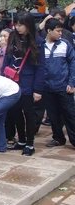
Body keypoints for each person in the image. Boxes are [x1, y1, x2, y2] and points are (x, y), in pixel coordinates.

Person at [2, 12, 46, 156]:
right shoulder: (13, 38)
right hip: (12, 81)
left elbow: (40, 67)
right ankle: (21, 140)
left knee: (29, 113)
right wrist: (4, 77)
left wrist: (38, 89)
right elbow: (6, 60)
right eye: (17, 24)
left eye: (21, 25)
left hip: (28, 82)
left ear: (28, 25)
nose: (18, 27)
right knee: (15, 111)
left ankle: (30, 143)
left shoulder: (38, 42)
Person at [42, 18, 75, 147]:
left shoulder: (65, 44)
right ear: (49, 31)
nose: (60, 33)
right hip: (47, 87)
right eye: (58, 31)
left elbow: (73, 63)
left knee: (70, 114)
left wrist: (72, 83)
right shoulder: (40, 47)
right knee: (53, 115)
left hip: (64, 86)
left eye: (61, 31)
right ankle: (58, 138)